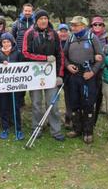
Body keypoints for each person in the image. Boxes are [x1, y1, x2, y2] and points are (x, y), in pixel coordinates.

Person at [22, 9, 65, 141]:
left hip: (51, 74)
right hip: (35, 74)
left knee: (52, 103)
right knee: (36, 103)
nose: (43, 21)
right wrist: (44, 58)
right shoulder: (29, 33)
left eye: (45, 18)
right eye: (41, 18)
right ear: (36, 20)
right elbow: (25, 53)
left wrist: (59, 74)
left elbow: (60, 54)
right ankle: (37, 128)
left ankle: (55, 129)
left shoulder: (54, 34)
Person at [64, 16, 104, 144]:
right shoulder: (70, 38)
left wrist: (92, 72)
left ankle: (88, 131)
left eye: (76, 25)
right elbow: (64, 56)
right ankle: (77, 129)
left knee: (87, 103)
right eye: (72, 25)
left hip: (88, 75)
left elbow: (101, 57)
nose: (73, 27)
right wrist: (68, 65)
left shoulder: (92, 38)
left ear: (83, 26)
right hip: (74, 74)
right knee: (74, 102)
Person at [0, 33, 24, 140]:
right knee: (3, 107)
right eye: (4, 42)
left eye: (8, 42)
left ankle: (18, 129)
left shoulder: (18, 53)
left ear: (12, 42)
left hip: (15, 86)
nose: (6, 44)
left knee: (15, 107)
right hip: (3, 86)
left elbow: (23, 67)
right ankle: (5, 128)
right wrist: (1, 63)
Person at [12, 3, 34, 107]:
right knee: (20, 77)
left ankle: (33, 99)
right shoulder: (17, 23)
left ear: (32, 11)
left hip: (32, 54)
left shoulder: (35, 23)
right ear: (23, 11)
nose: (28, 13)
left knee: (31, 76)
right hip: (20, 54)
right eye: (26, 11)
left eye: (29, 11)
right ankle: (20, 100)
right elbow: (12, 38)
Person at [89, 16, 108, 124]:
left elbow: (107, 54)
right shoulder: (87, 36)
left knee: (98, 95)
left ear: (103, 26)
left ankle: (94, 119)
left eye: (100, 24)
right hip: (88, 68)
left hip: (101, 69)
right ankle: (87, 114)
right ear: (92, 26)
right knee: (88, 93)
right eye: (95, 24)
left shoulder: (107, 38)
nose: (97, 26)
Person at [57, 23, 72, 130]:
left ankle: (69, 118)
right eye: (61, 31)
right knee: (54, 96)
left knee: (69, 97)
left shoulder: (71, 42)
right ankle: (53, 118)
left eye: (65, 31)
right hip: (57, 73)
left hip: (68, 73)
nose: (63, 33)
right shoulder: (55, 42)